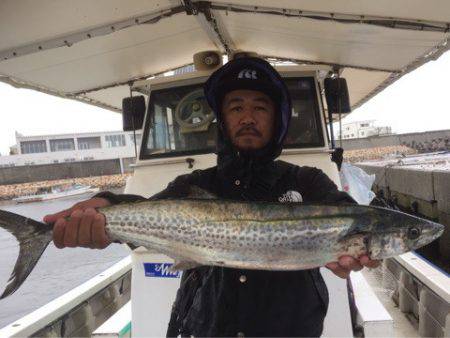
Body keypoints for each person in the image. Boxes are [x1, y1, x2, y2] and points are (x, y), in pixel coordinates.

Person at [44, 57, 379, 337]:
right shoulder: (193, 185)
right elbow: (146, 211)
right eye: (236, 107)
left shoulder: (308, 181)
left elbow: (350, 216)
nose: (248, 117)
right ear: (222, 119)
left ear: (277, 118)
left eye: (260, 107)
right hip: (205, 326)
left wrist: (359, 247)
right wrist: (106, 208)